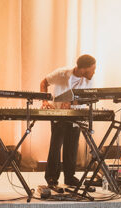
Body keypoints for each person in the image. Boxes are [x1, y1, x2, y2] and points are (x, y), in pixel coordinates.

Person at [40, 54, 96, 188]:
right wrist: (45, 101)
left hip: (76, 115)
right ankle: (52, 177)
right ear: (83, 69)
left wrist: (71, 103)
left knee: (72, 147)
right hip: (58, 115)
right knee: (56, 146)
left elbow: (88, 97)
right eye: (92, 69)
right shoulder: (61, 74)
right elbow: (44, 83)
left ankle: (69, 177)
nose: (94, 72)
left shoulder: (90, 80)